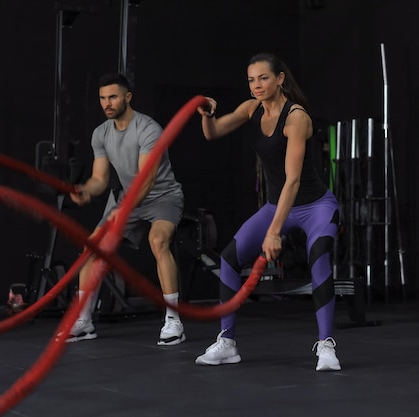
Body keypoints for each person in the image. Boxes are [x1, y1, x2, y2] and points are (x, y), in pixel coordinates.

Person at [194, 52, 341, 371]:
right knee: (229, 258)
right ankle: (227, 342)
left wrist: (274, 232)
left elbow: (293, 180)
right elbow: (213, 132)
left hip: (315, 207)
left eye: (263, 78)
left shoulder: (296, 117)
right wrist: (206, 114)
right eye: (251, 79)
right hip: (278, 206)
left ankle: (326, 345)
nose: (256, 85)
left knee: (319, 257)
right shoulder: (251, 109)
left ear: (280, 79)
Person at [65, 73, 186, 345]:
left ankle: (173, 321)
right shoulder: (101, 133)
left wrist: (125, 206)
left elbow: (147, 179)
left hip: (162, 196)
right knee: (91, 248)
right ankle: (84, 321)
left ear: (127, 97)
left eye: (113, 97)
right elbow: (100, 179)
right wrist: (86, 190)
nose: (107, 103)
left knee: (158, 241)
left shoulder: (148, 129)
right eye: (102, 98)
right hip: (126, 201)